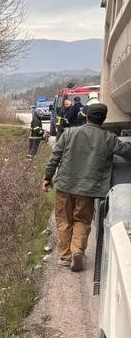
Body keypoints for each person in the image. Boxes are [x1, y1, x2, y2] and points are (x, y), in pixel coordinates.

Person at [43, 101, 131, 271]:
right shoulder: (109, 138)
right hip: (88, 190)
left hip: (65, 186)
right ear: (103, 119)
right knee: (82, 220)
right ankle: (78, 251)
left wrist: (47, 177)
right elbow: (126, 151)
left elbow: (55, 157)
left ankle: (65, 256)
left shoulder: (69, 133)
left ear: (86, 116)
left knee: (63, 221)